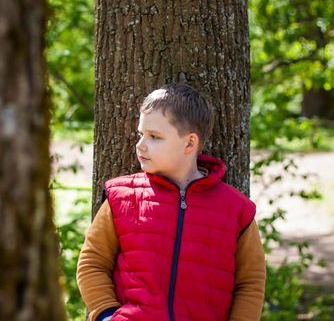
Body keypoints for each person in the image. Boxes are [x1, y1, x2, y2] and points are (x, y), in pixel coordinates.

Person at [77, 83, 266, 321]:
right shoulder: (121, 197)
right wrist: (106, 314)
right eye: (141, 134)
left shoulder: (237, 210)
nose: (140, 145)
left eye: (155, 137)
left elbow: (250, 283)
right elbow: (92, 262)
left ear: (189, 143)